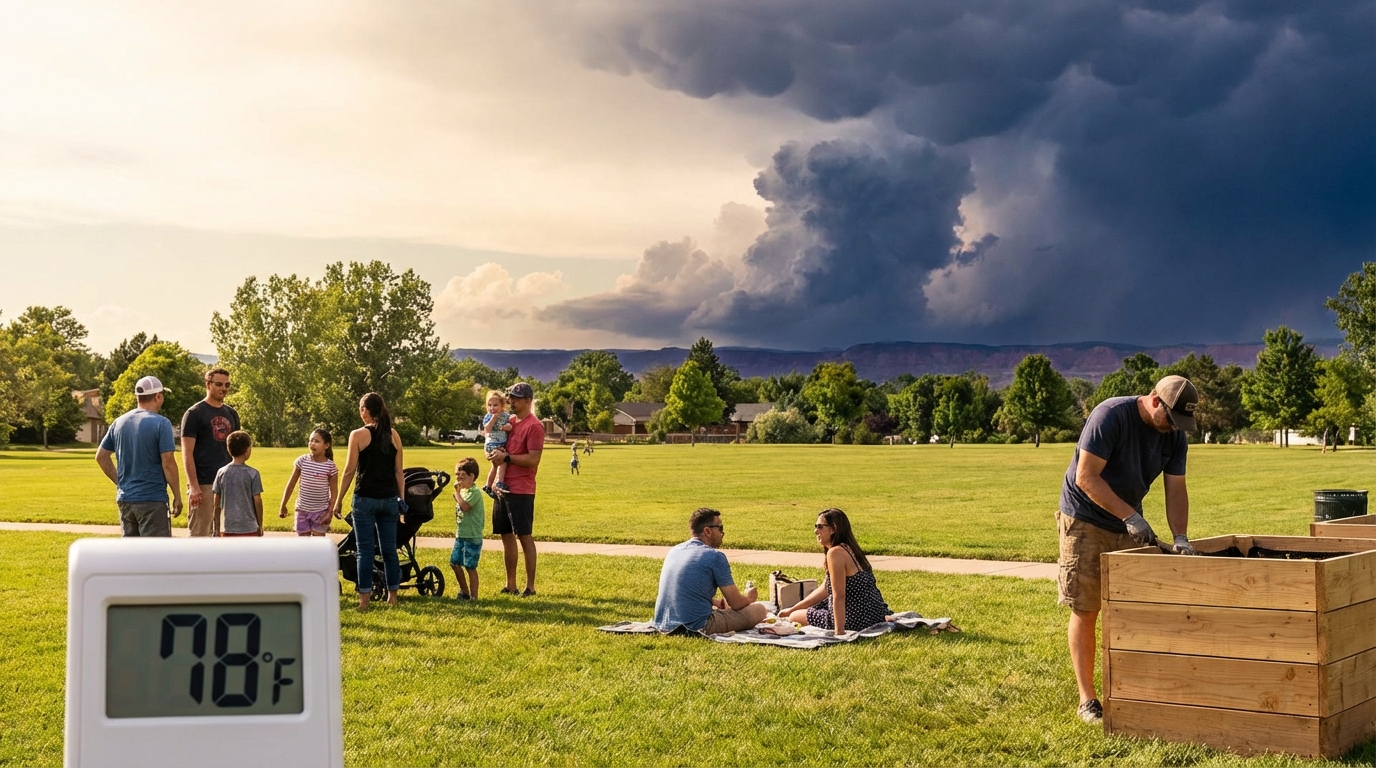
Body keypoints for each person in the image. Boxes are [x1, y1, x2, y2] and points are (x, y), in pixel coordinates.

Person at [1059, 374, 1197, 724]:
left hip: (1128, 520)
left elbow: (1176, 489)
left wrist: (1179, 536)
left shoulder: (1175, 435)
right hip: (1085, 519)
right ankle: (1087, 700)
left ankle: (1135, 688)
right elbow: (1086, 477)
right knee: (1087, 607)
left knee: (1131, 610)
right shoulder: (1110, 416)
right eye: (1171, 418)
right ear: (1154, 400)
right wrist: (1130, 517)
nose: (1174, 428)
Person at [334, 392, 406, 611]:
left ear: (366, 410)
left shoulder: (357, 435)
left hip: (365, 498)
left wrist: (338, 501)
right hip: (389, 499)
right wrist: (401, 499)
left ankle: (364, 601)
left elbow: (349, 471)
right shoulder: (393, 435)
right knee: (389, 550)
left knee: (364, 551)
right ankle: (392, 597)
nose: (359, 411)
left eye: (360, 408)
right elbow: (399, 471)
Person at [653, 507, 767, 634]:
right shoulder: (715, 556)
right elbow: (736, 603)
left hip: (663, 622)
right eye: (720, 529)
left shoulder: (675, 551)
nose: (722, 534)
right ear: (707, 531)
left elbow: (682, 590)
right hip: (697, 625)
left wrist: (714, 602)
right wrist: (750, 598)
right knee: (760, 610)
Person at [779, 508, 891, 635]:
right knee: (804, 609)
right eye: (815, 526)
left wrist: (839, 632)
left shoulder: (835, 553)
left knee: (795, 616)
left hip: (856, 619)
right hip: (875, 615)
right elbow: (825, 589)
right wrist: (792, 608)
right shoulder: (850, 548)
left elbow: (839, 596)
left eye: (820, 527)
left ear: (833, 529)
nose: (816, 531)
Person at [95, 376, 182, 537]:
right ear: (158, 396)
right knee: (155, 556)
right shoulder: (161, 424)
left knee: (131, 556)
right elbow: (168, 463)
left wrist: (120, 482)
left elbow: (101, 456)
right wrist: (177, 496)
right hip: (152, 499)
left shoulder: (119, 422)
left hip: (126, 499)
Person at [487, 382, 544, 596]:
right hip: (502, 487)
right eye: (511, 397)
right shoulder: (509, 421)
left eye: (517, 398)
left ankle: (530, 586)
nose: (512, 401)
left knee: (524, 536)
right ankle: (510, 584)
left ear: (529, 401)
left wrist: (507, 457)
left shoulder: (534, 426)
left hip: (522, 488)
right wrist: (494, 453)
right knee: (506, 535)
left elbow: (533, 459)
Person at [180, 368, 241, 537]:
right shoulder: (194, 414)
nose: (224, 388)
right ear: (207, 384)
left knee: (226, 535)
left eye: (227, 385)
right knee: (200, 536)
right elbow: (187, 453)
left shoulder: (232, 414)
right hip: (204, 483)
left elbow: (238, 451)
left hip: (228, 483)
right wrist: (193, 486)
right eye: (219, 384)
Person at [278, 428, 338, 537]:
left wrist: (330, 512)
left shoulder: (330, 467)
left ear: (327, 445)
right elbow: (291, 484)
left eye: (316, 441)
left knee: (318, 546)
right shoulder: (302, 461)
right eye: (310, 440)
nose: (312, 444)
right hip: (302, 511)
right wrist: (283, 504)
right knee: (303, 546)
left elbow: (334, 493)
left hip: (321, 512)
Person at [213, 430, 264, 538]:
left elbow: (216, 502)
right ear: (247, 450)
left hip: (227, 526)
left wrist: (216, 527)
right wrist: (260, 525)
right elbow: (257, 500)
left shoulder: (221, 472)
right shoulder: (253, 474)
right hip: (249, 527)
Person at [450, 457, 484, 601]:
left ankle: (474, 597)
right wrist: (458, 494)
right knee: (455, 563)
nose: (458, 480)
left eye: (462, 476)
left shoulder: (474, 492)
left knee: (470, 567)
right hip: (461, 534)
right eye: (457, 476)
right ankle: (464, 591)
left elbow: (465, 507)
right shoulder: (463, 492)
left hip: (472, 536)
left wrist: (457, 494)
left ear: (472, 476)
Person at [481, 390, 514, 497]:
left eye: (495, 405)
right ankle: (500, 482)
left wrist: (506, 427)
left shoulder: (505, 415)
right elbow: (487, 429)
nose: (492, 408)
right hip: (492, 444)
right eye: (489, 405)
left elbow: (510, 426)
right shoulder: (488, 416)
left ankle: (488, 485)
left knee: (495, 466)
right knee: (503, 462)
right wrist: (493, 418)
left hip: (501, 443)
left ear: (502, 405)